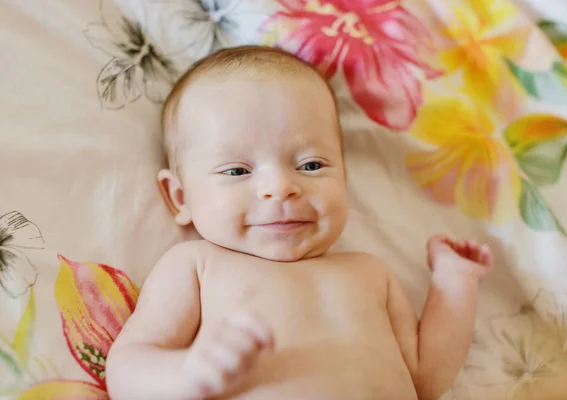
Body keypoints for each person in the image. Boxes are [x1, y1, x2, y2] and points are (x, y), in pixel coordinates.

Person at [105, 45, 494, 400]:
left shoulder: (369, 273)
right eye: (238, 171)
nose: (280, 187)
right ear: (180, 197)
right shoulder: (197, 265)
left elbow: (425, 378)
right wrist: (187, 374)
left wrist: (455, 283)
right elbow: (126, 369)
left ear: (343, 176)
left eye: (310, 165)